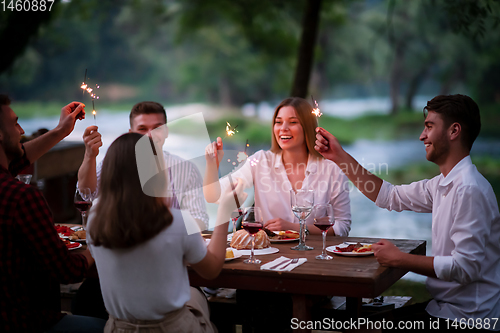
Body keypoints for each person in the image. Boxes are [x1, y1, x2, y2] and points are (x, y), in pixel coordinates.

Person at [315, 94, 500, 330]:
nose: (422, 135)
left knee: (362, 327)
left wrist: (400, 259)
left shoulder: (469, 190)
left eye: (429, 127)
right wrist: (338, 156)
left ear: (454, 131)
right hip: (443, 308)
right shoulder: (443, 184)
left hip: (467, 319)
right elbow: (388, 196)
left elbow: (465, 268)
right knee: (360, 324)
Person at [86, 132, 245, 333]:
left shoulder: (95, 219)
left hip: (117, 327)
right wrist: (224, 210)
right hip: (170, 328)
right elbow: (211, 270)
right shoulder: (175, 221)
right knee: (201, 302)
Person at [0, 94, 106, 333]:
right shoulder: (21, 198)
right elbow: (66, 271)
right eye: (15, 123)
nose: (21, 130)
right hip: (28, 322)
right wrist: (94, 249)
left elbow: (18, 159)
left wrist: (61, 130)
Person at [204, 96, 351, 237]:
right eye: (278, 122)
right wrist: (212, 165)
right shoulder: (260, 161)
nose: (283, 128)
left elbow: (342, 226)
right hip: (268, 255)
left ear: (307, 127)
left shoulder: (332, 169)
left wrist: (295, 228)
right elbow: (213, 196)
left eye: (293, 122)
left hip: (315, 255)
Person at [78, 101, 209, 230]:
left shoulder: (186, 169)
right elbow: (86, 194)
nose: (150, 135)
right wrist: (90, 155)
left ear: (166, 132)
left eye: (157, 128)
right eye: (142, 129)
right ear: (131, 133)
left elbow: (199, 218)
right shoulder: (114, 162)